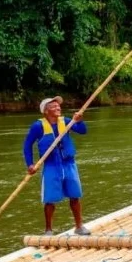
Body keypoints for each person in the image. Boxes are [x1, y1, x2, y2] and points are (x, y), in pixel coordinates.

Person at [23, 96, 90, 236]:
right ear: (46, 111)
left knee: (75, 196)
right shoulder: (38, 126)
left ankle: (79, 226)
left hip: (68, 164)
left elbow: (83, 131)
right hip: (51, 165)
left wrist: (79, 120)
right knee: (49, 200)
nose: (58, 107)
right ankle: (48, 230)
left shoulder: (65, 121)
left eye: (58, 106)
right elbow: (27, 145)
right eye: (53, 106)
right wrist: (30, 164)